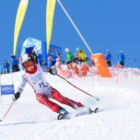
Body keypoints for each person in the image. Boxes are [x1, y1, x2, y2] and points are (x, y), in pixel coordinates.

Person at [12, 54, 92, 119]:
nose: (29, 66)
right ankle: (61, 111)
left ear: (33, 62)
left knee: (61, 98)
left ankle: (81, 107)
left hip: (49, 89)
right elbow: (21, 87)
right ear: (24, 66)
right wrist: (17, 94)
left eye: (30, 63)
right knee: (43, 100)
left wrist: (52, 71)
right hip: (39, 94)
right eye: (26, 65)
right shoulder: (25, 76)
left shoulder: (39, 67)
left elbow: (49, 69)